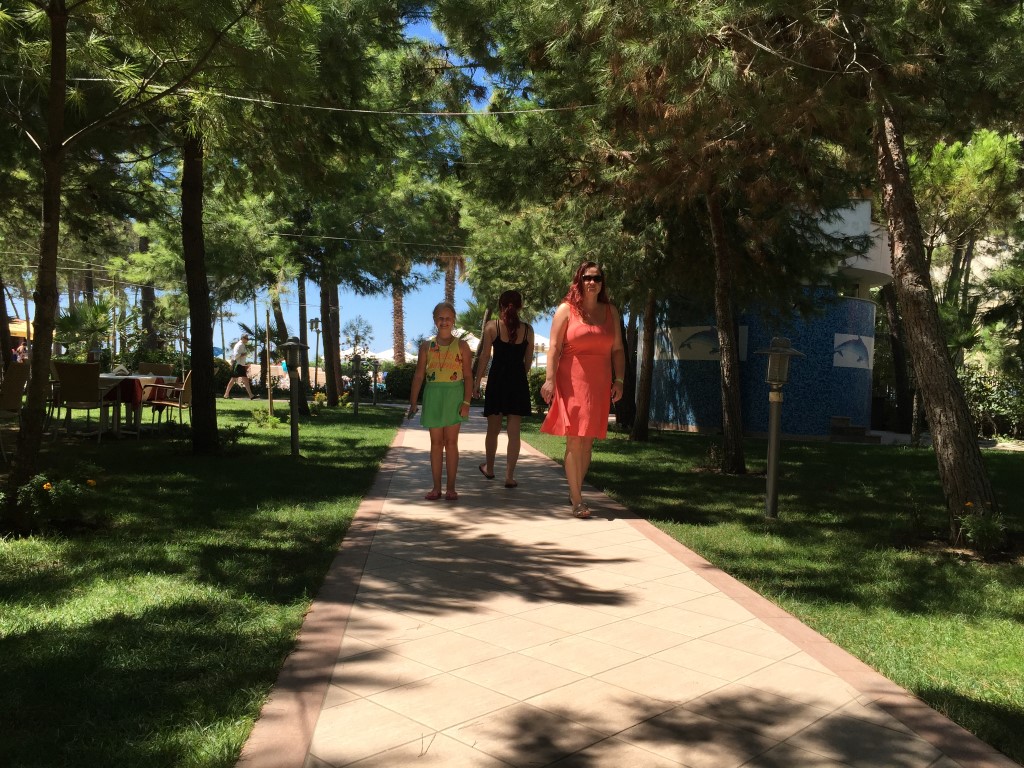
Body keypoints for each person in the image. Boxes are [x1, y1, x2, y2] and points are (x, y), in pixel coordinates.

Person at [540, 262, 626, 519]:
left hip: (599, 382)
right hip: (571, 380)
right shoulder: (566, 310)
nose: (592, 282)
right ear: (579, 281)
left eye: (597, 278)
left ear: (602, 283)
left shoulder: (611, 311)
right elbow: (554, 348)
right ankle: (577, 499)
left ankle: (574, 487)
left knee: (588, 441)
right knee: (575, 439)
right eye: (587, 278)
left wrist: (619, 380)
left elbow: (618, 349)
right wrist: (549, 379)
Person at [407, 302, 473, 501]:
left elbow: (468, 376)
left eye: (448, 318)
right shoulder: (426, 346)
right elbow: (419, 375)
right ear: (434, 320)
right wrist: (413, 402)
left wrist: (466, 402)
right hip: (433, 396)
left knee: (451, 443)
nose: (444, 322)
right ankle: (436, 487)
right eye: (440, 318)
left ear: (454, 320)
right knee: (436, 443)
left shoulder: (462, 346)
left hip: (454, 396)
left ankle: (451, 488)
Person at [473, 290, 533, 488]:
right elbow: (527, 361)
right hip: (517, 381)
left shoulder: (492, 326)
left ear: (500, 306)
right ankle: (509, 476)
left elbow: (484, 357)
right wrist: (519, 376)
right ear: (520, 306)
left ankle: (489, 468)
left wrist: (477, 382)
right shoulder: (528, 330)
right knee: (514, 433)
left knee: (493, 430)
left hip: (497, 380)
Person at [224, 333, 256, 399]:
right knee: (233, 379)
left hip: (241, 365)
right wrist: (243, 354)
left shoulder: (242, 345)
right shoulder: (239, 345)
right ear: (242, 338)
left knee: (244, 379)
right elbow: (236, 355)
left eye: (247, 338)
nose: (247, 340)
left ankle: (251, 395)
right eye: (246, 338)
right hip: (238, 364)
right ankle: (226, 394)